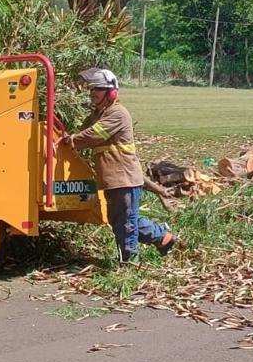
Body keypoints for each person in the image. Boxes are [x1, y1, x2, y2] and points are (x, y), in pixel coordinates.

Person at [60, 67, 175, 263]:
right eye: (91, 89)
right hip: (112, 181)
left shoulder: (118, 114)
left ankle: (129, 263)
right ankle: (163, 238)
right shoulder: (98, 115)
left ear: (111, 92)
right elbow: (81, 129)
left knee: (127, 224)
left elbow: (91, 135)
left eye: (98, 89)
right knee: (120, 220)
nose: (93, 93)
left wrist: (71, 140)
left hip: (124, 180)